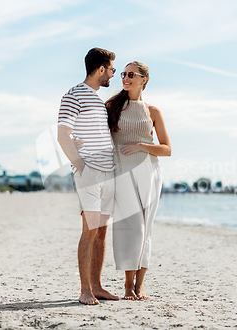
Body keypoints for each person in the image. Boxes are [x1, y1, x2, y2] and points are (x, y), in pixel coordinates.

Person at [57, 48, 120, 305]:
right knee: (90, 231)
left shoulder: (96, 99)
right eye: (113, 70)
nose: (113, 75)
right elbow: (62, 134)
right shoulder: (74, 95)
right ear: (101, 69)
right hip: (91, 173)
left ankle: (97, 286)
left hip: (108, 171)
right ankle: (85, 290)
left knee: (102, 232)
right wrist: (82, 167)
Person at [106, 61, 172, 300]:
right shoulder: (111, 107)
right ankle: (127, 285)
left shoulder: (152, 111)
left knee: (146, 228)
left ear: (144, 79)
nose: (125, 78)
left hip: (149, 172)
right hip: (121, 173)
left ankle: (139, 286)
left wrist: (141, 146)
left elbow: (166, 149)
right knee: (129, 227)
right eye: (123, 74)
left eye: (131, 74)